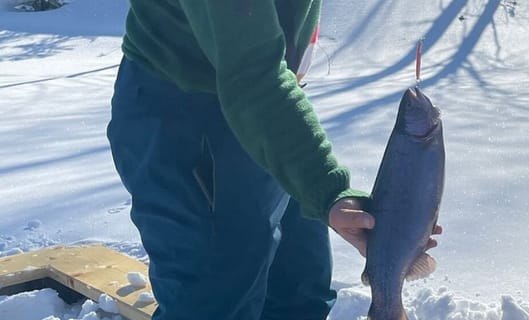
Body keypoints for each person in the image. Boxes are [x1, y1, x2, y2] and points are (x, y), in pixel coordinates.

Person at [106, 1, 440, 319]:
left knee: (298, 287)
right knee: (213, 302)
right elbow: (253, 77)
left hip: (275, 117)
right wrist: (325, 188)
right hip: (188, 116)